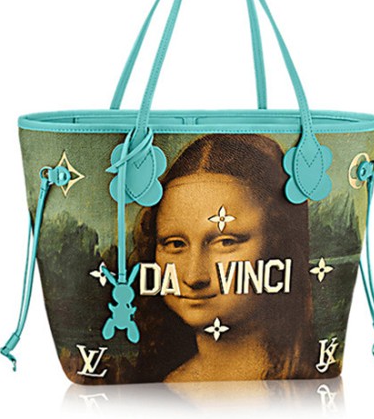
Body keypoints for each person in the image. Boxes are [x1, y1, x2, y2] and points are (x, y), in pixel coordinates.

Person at [129, 134, 317, 382]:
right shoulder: (149, 389)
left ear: (278, 243)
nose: (194, 276)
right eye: (175, 244)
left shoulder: (308, 385)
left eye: (226, 242)